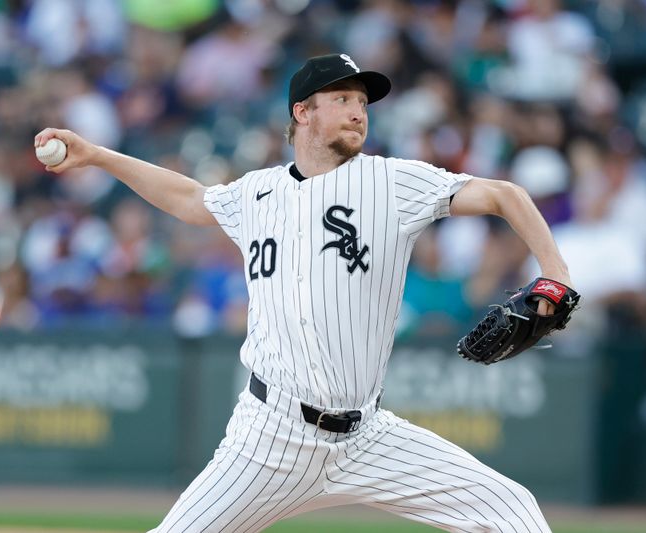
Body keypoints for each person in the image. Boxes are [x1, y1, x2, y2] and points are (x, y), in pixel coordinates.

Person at [36, 53, 572, 533]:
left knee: (512, 513)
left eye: (362, 101)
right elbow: (191, 200)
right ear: (303, 113)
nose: (358, 111)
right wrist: (99, 157)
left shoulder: (391, 183)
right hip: (270, 436)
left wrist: (554, 274)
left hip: (367, 436)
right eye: (342, 99)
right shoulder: (257, 192)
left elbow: (504, 195)